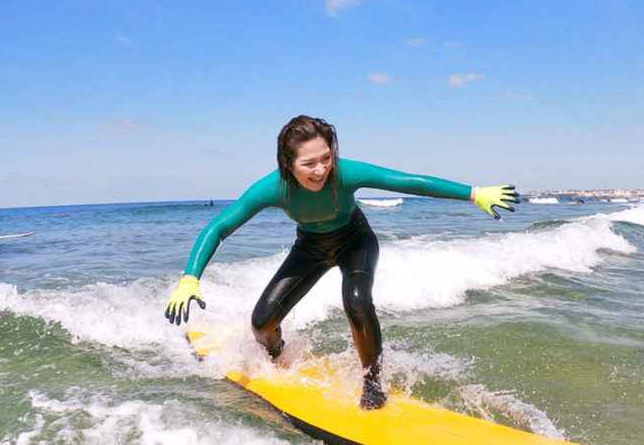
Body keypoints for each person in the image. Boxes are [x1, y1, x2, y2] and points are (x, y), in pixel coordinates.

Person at [165, 115, 517, 409]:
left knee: (358, 302)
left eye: (326, 158)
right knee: (262, 323)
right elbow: (220, 225)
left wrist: (473, 193)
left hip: (355, 241)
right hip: (311, 248)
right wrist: (189, 278)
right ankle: (275, 354)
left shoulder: (346, 173)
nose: (320, 169)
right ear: (287, 164)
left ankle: (373, 381)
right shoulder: (272, 188)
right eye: (309, 163)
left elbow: (407, 182)